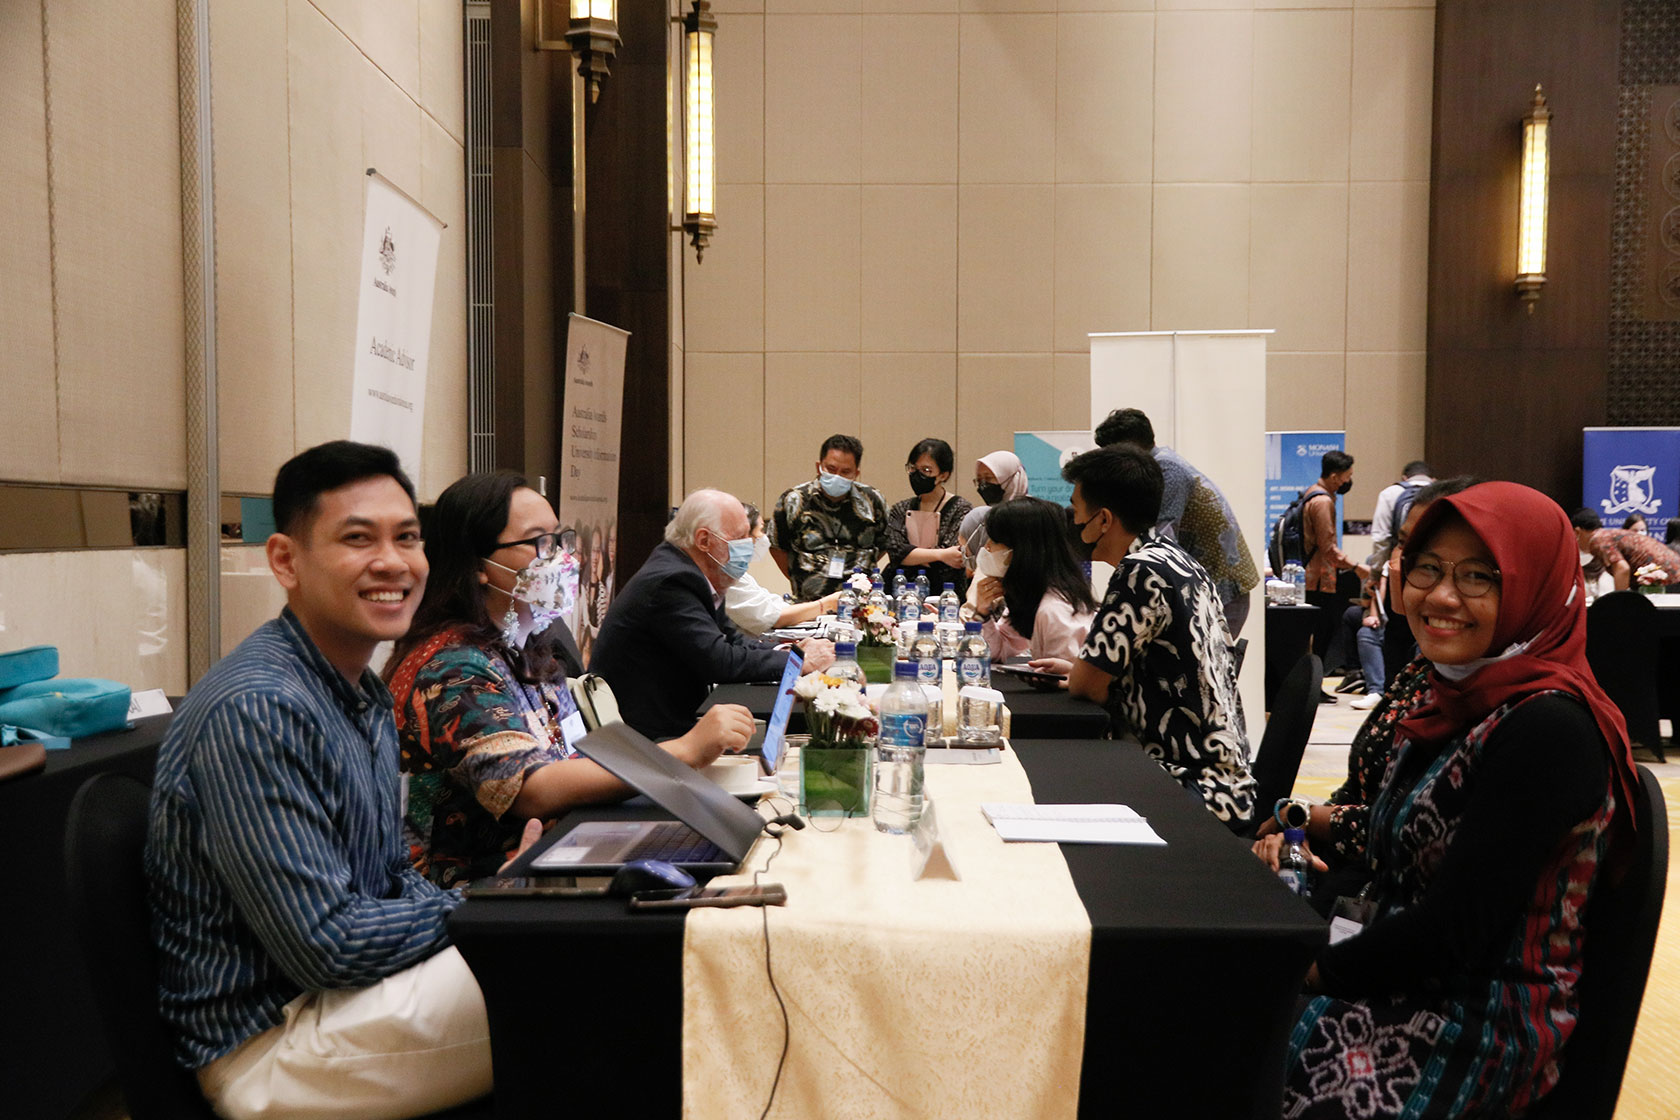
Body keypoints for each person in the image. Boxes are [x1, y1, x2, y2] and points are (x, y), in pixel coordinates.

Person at [146, 442, 519, 1120]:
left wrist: (494, 899)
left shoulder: (359, 691)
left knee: (581, 951)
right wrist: (484, 904)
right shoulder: (258, 707)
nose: (392, 562)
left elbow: (384, 880)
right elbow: (328, 943)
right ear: (285, 560)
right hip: (275, 1046)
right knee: (592, 979)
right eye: (357, 538)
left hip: (344, 1002)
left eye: (407, 538)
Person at [1281, 481, 1638, 1119]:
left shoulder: (1548, 728)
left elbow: (1454, 930)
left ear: (1536, 588)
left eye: (1479, 576)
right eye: (1427, 568)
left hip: (1470, 1023)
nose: (1442, 596)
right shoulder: (1451, 698)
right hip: (1391, 980)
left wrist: (1309, 972)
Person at [385, 472, 755, 888]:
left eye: (561, 540)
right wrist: (681, 752)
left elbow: (572, 756)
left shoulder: (527, 647)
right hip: (471, 897)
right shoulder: (453, 667)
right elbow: (531, 786)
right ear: (478, 565)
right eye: (540, 542)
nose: (561, 557)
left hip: (554, 857)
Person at [1252, 477, 1478, 901]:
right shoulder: (1426, 669)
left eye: (1473, 573)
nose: (1439, 593)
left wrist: (1298, 819)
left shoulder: (1525, 713)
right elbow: (1362, 792)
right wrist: (1298, 828)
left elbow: (1408, 838)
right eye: (1413, 553)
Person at [1049, 445, 1256, 828]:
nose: (1073, 520)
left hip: (1193, 787)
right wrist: (1081, 669)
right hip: (1229, 780)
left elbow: (1087, 685)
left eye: (1077, 509)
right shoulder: (1177, 559)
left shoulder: (1139, 573)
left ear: (1104, 519)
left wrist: (1080, 673)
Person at [593, 489, 836, 739]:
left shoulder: (689, 572)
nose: (749, 548)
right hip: (645, 736)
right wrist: (798, 661)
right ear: (704, 540)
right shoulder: (673, 581)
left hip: (668, 720)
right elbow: (719, 661)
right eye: (740, 538)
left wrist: (790, 651)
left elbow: (732, 640)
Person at [1093, 407, 1261, 638]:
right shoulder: (1160, 466)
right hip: (1210, 584)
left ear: (1130, 447)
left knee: (1207, 670)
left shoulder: (1167, 470)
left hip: (1223, 588)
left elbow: (1161, 540)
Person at [972, 497, 1096, 663]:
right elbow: (997, 650)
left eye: (995, 541)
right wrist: (983, 614)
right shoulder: (1029, 595)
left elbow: (1064, 682)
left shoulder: (1055, 610)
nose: (987, 547)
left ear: (1023, 550)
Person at [769, 434, 890, 601]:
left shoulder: (873, 501)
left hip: (861, 605)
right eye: (831, 469)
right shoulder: (794, 500)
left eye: (845, 472)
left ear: (856, 473)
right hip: (808, 602)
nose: (837, 476)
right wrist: (800, 577)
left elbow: (884, 544)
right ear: (819, 466)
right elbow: (777, 547)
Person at [724, 503, 841, 636]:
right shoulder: (724, 576)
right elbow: (772, 618)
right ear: (743, 535)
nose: (763, 537)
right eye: (761, 530)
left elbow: (771, 605)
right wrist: (826, 604)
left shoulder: (736, 571)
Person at [1300, 450, 1369, 665]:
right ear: (1334, 476)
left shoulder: (1312, 493)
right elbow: (1328, 548)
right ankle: (1314, 684)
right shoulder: (1322, 502)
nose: (1348, 481)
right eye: (1347, 476)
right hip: (1318, 580)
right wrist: (1356, 567)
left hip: (1313, 577)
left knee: (1317, 632)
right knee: (1322, 632)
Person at [883, 437, 972, 597]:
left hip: (945, 594)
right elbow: (896, 552)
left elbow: (954, 558)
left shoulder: (961, 509)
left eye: (926, 470)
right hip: (900, 590)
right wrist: (940, 555)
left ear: (943, 475)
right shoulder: (900, 509)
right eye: (913, 468)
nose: (917, 475)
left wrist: (912, 555)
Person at [1572, 507, 1680, 591]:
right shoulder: (1607, 534)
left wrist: (1620, 603)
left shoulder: (1598, 540)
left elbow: (1622, 569)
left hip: (1669, 578)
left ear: (1577, 532)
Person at [958, 450, 1029, 566]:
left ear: (1012, 478)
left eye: (989, 478)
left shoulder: (1035, 515)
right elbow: (970, 568)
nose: (983, 485)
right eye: (979, 480)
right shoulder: (982, 517)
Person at [1365, 459, 1433, 574]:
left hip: (1399, 565)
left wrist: (1376, 572)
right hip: (1433, 565)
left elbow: (1381, 538)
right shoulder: (1446, 493)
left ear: (1404, 478)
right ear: (1432, 479)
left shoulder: (1390, 493)